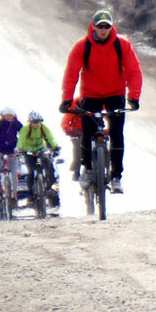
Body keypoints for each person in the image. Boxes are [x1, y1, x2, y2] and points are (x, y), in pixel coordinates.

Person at [59, 10, 143, 194]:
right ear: (94, 26)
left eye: (107, 26)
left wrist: (134, 97)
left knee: (116, 133)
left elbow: (133, 71)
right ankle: (88, 169)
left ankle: (116, 177)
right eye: (100, 26)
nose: (103, 30)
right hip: (91, 94)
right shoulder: (82, 46)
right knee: (87, 133)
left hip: (116, 93)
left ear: (111, 27)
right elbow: (71, 73)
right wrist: (66, 99)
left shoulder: (122, 45)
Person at [16, 111, 60, 207]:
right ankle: (30, 194)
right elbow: (21, 140)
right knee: (30, 172)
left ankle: (50, 184)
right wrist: (19, 149)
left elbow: (50, 137)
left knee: (48, 162)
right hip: (28, 151)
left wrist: (55, 146)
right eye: (34, 122)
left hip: (40, 149)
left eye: (38, 121)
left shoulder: (44, 128)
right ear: (30, 122)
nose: (36, 124)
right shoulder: (25, 129)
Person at [60, 101, 83, 180]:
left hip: (92, 129)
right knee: (78, 147)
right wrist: (69, 130)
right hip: (78, 132)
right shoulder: (75, 104)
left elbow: (107, 111)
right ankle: (76, 171)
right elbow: (65, 121)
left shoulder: (98, 99)